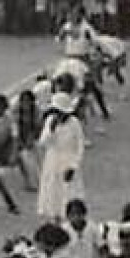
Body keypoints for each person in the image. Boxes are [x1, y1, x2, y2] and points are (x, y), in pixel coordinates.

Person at [36, 92, 84, 221]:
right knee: (52, 191)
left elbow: (79, 146)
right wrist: (51, 130)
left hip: (68, 160)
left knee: (68, 191)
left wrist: (74, 166)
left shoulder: (74, 123)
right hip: (53, 160)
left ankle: (68, 216)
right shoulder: (50, 121)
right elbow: (43, 142)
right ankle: (54, 216)